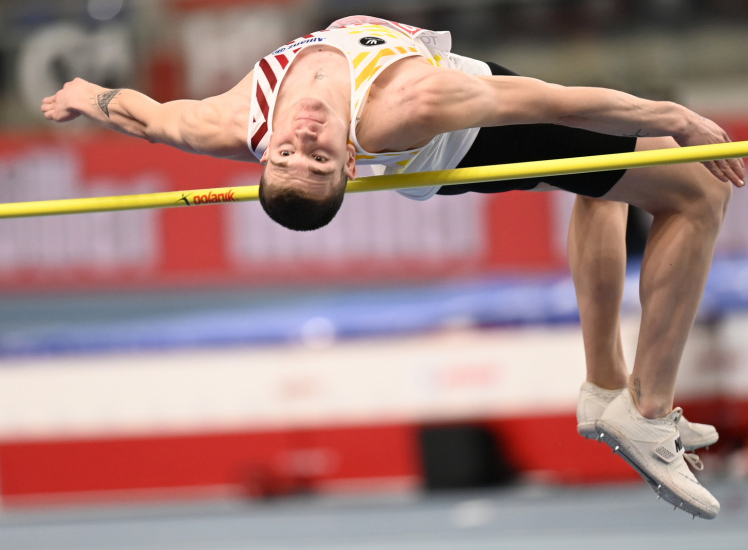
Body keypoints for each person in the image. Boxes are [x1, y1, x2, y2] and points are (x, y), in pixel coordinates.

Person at [42, 15, 745, 518]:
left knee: (602, 183)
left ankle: (601, 387)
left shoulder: (230, 121)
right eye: (318, 158)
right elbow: (547, 102)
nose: (304, 139)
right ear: (349, 161)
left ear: (265, 154)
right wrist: (676, 118)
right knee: (698, 190)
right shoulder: (409, 105)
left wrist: (87, 95)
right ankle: (646, 409)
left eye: (292, 154)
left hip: (459, 98)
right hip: (464, 137)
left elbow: (148, 115)